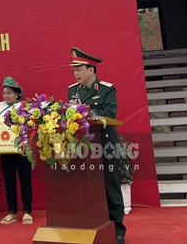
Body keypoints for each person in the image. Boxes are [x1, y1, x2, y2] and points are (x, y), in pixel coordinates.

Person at [67, 47, 126, 244]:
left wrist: (87, 114)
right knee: (86, 187)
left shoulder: (107, 89)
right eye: (74, 70)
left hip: (106, 143)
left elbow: (110, 113)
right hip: (83, 147)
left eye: (80, 69)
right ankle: (91, 224)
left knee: (111, 184)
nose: (76, 73)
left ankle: (117, 227)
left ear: (91, 69)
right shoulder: (72, 91)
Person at [0, 77, 33, 225]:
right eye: (4, 93)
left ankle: (27, 212)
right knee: (9, 181)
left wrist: (25, 143)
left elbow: (29, 127)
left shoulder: (24, 106)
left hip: (22, 149)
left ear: (17, 94)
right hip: (5, 150)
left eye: (9, 93)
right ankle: (12, 212)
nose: (6, 96)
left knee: (25, 180)